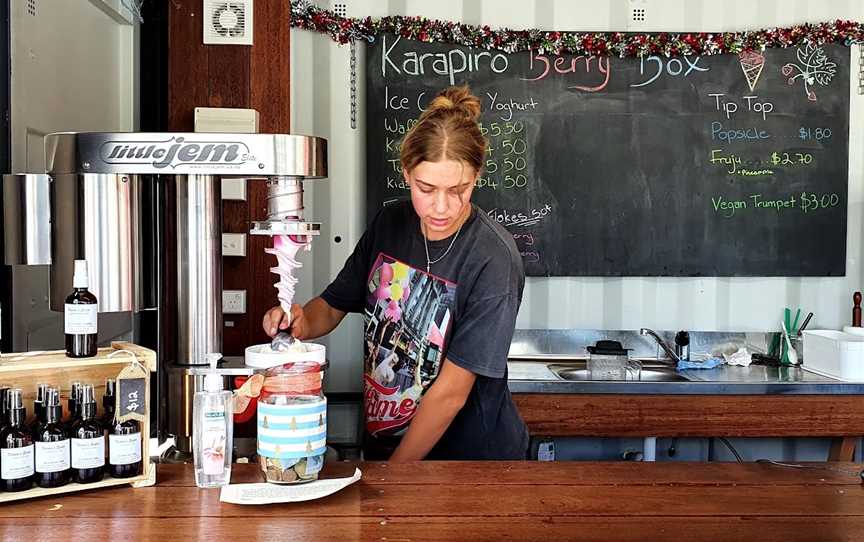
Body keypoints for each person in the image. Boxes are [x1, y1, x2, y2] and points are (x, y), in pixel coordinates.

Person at [262, 85, 528, 461]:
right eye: (426, 188)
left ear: (477, 176)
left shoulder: (492, 259)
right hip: (387, 446)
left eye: (459, 189)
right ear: (406, 173)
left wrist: (396, 473)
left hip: (468, 465)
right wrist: (299, 323)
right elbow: (333, 305)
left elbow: (452, 391)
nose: (441, 207)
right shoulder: (391, 224)